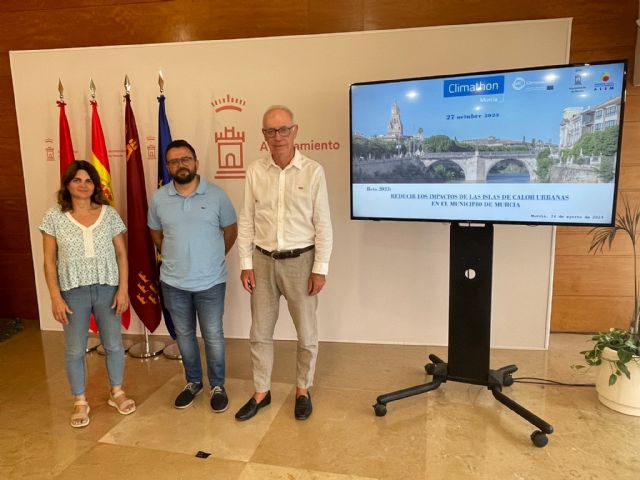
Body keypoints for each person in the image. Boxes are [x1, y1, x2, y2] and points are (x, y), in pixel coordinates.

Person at [235, 105, 333, 421]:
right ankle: (261, 392)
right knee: (259, 333)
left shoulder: (313, 171)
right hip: (262, 262)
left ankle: (303, 389)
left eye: (283, 130)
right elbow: (246, 219)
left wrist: (320, 269)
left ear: (295, 131)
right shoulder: (255, 171)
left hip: (301, 263)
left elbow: (323, 225)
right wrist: (246, 263)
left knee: (306, 334)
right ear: (263, 135)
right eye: (270, 131)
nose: (277, 137)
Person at [40, 160, 135, 428]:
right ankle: (80, 400)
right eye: (77, 180)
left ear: (95, 185)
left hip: (107, 289)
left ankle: (117, 392)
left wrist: (123, 289)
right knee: (74, 349)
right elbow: (49, 261)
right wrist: (55, 297)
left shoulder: (109, 214)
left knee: (114, 344)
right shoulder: (54, 217)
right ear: (67, 184)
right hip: (72, 292)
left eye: (88, 181)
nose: (83, 185)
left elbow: (122, 254)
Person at [148, 139, 237, 412]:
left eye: (185, 159)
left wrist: (211, 256)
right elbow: (156, 233)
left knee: (213, 335)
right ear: (168, 167)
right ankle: (193, 382)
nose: (181, 165)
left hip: (211, 282)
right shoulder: (159, 198)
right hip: (173, 283)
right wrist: (174, 256)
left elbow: (230, 231)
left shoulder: (217, 196)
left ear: (196, 162)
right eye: (174, 161)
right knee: (185, 336)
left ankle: (218, 386)